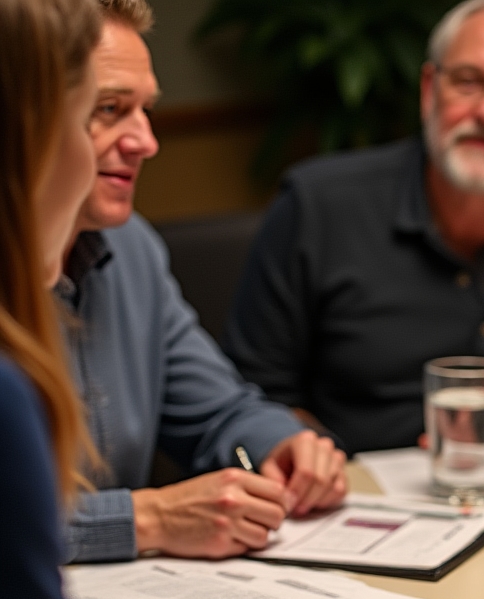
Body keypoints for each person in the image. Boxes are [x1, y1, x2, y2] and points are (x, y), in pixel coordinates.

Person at [0, 0, 335, 599]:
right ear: (31, 129)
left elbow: (220, 401)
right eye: (100, 111)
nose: (144, 142)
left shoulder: (133, 253)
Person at [221, 0, 484, 465]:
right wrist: (308, 455)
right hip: (352, 506)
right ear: (429, 90)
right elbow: (248, 394)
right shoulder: (318, 206)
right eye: (468, 82)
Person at [60, 0, 348, 565]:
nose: (146, 140)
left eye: (146, 109)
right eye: (112, 108)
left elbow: (219, 414)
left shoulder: (132, 247)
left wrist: (280, 446)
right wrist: (147, 519)